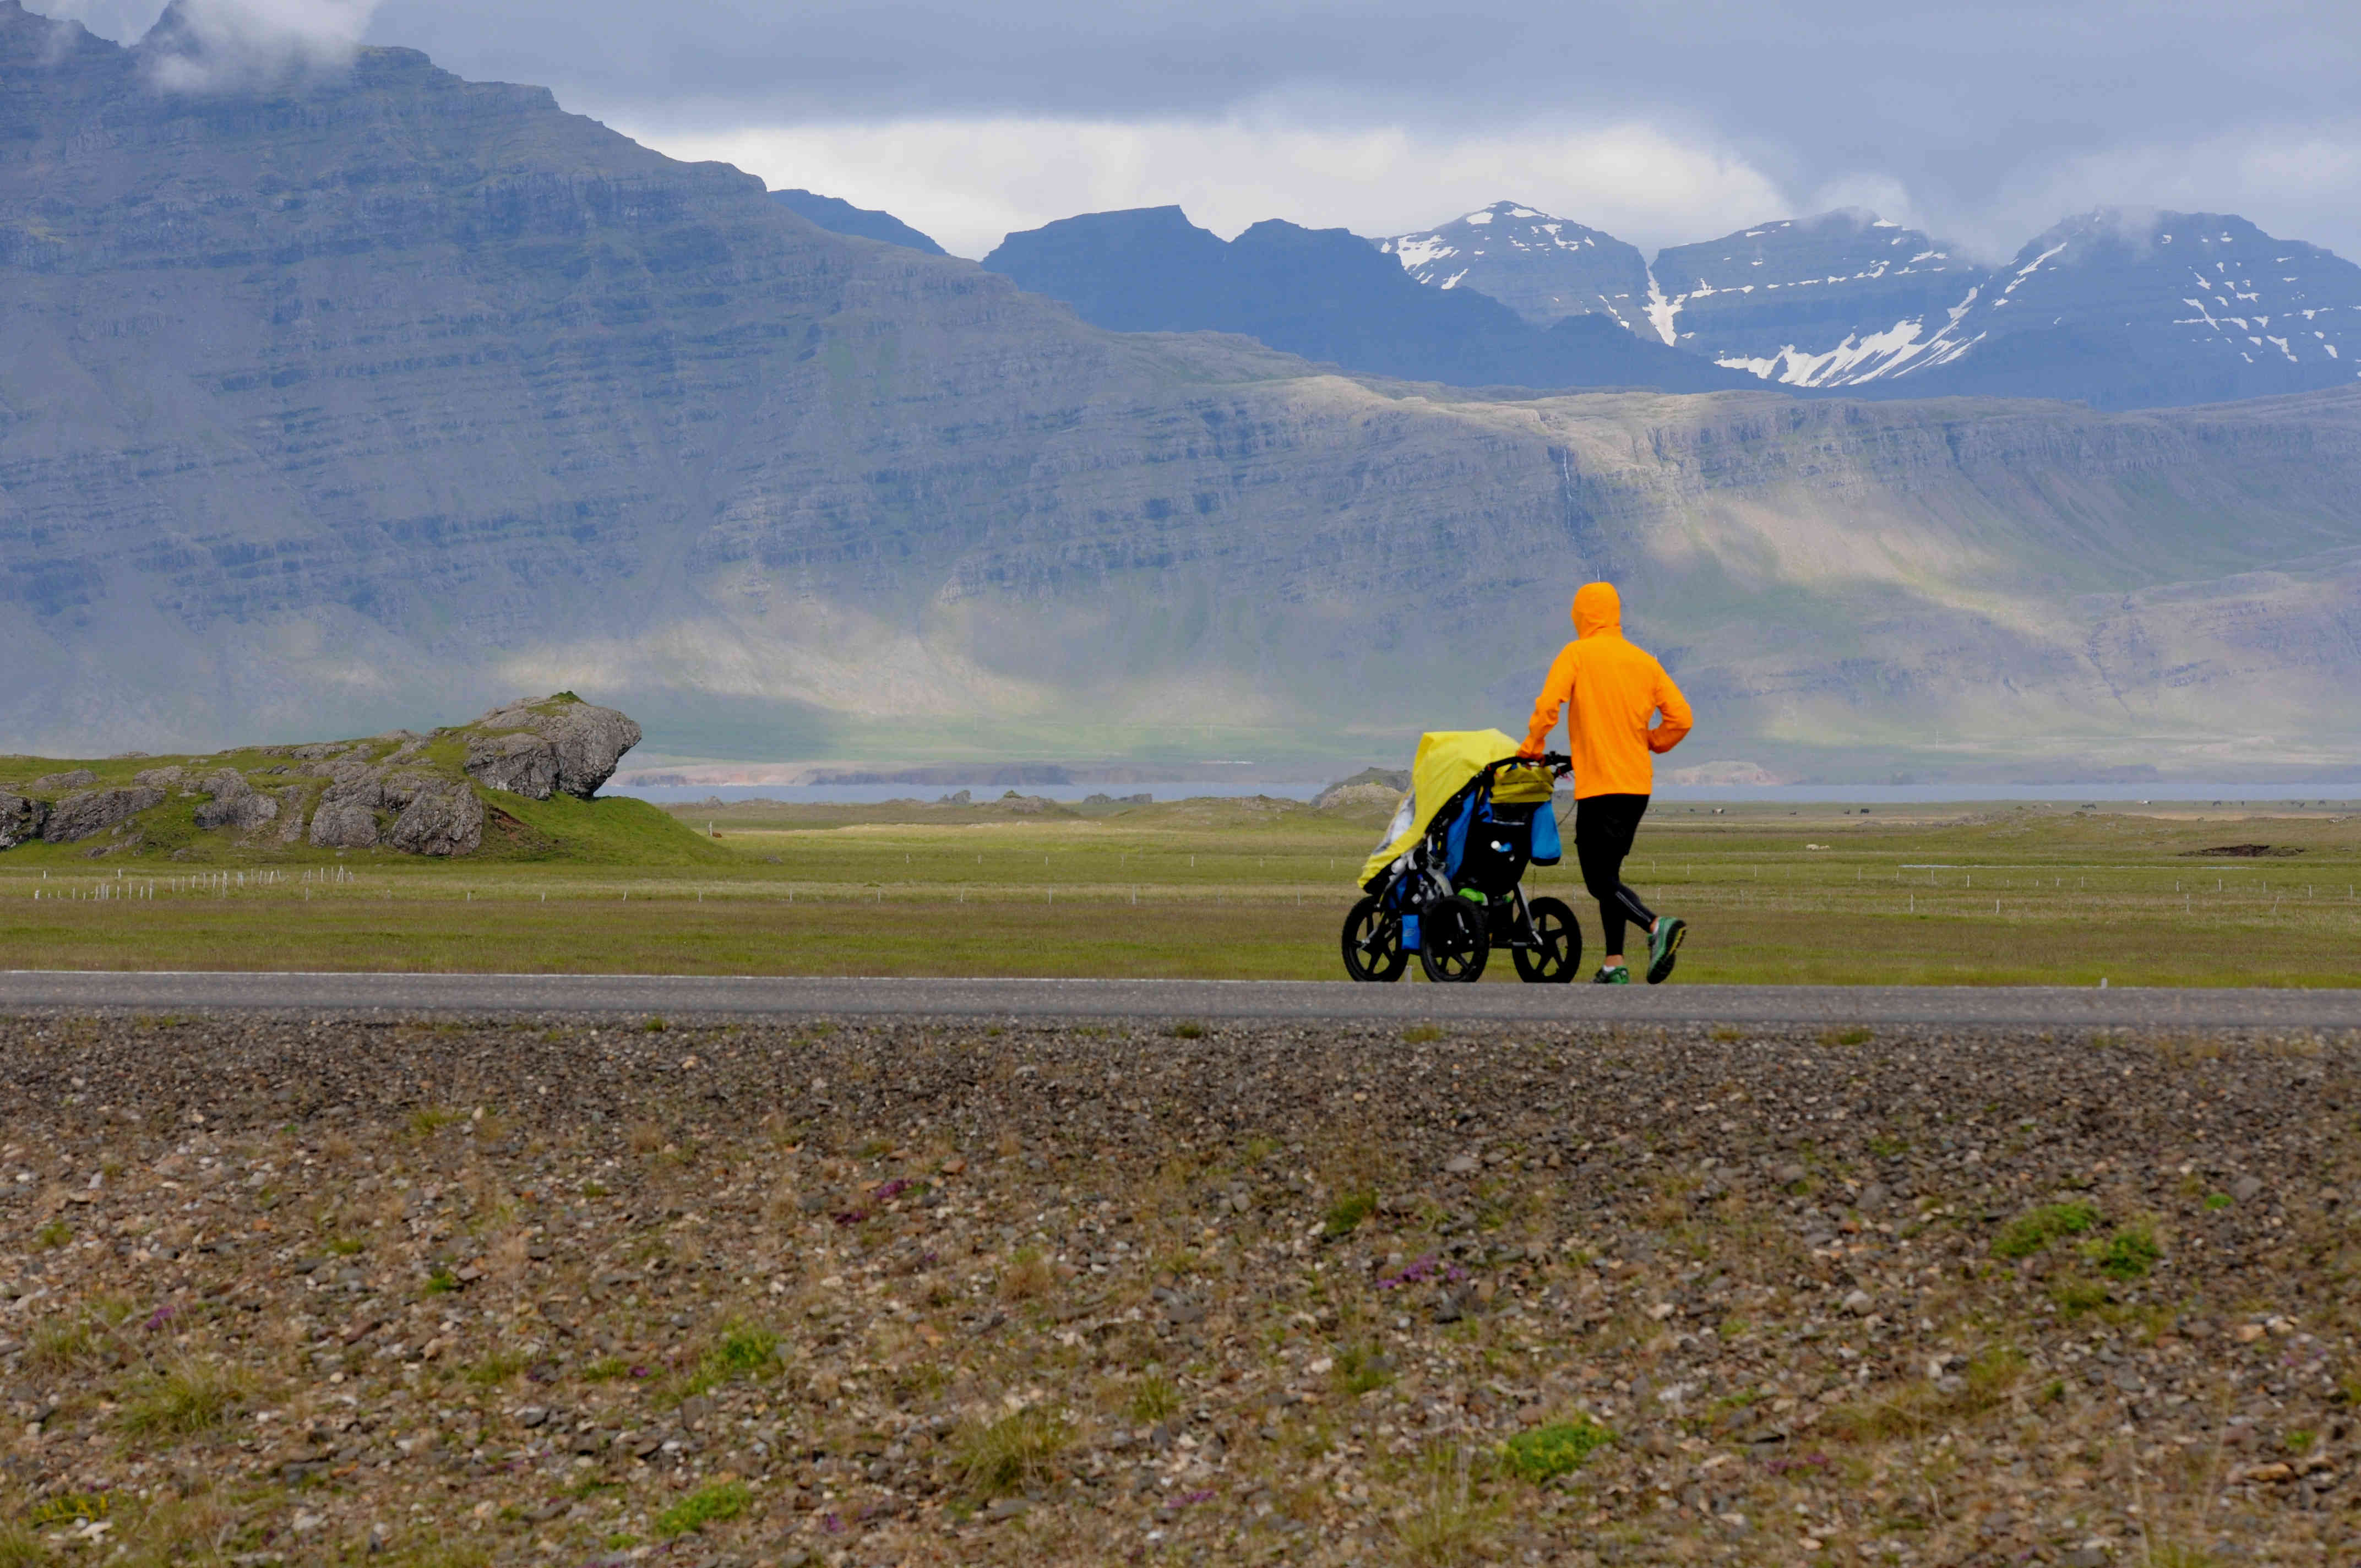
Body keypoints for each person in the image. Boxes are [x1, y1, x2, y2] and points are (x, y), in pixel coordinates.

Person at [1518, 581, 1693, 983]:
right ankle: (1614, 963)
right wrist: (1649, 741)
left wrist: (1533, 744)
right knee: (1609, 877)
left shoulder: (1577, 654)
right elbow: (1681, 719)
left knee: (1598, 881)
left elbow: (1549, 705)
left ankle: (1656, 926)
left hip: (1600, 787)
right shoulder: (1644, 662)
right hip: (1637, 788)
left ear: (1581, 615)